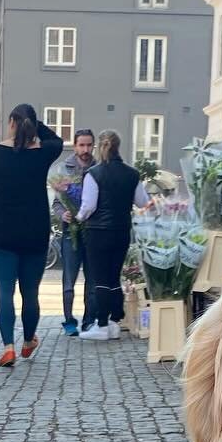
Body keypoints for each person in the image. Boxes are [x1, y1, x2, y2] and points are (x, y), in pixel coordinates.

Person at [0, 104, 63, 367]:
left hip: (3, 233)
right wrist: (35, 128)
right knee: (30, 293)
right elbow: (56, 140)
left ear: (11, 122)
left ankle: (8, 347)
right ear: (33, 125)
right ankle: (28, 341)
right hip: (35, 233)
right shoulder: (44, 152)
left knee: (4, 292)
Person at [77, 129, 150, 342]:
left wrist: (78, 217)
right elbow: (143, 203)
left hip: (98, 232)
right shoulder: (132, 174)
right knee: (114, 277)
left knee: (100, 278)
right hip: (121, 231)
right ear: (118, 146)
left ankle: (100, 323)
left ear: (100, 147)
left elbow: (88, 206)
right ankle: (114, 322)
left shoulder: (94, 174)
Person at [51, 128, 94, 335]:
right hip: (70, 232)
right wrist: (63, 214)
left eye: (89, 145)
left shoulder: (98, 168)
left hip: (92, 231)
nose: (85, 149)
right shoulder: (64, 169)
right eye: (81, 145)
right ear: (75, 146)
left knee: (92, 281)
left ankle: (88, 321)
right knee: (69, 281)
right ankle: (69, 322)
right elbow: (56, 204)